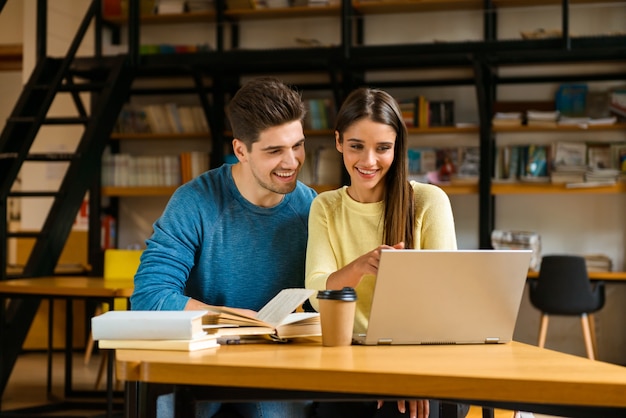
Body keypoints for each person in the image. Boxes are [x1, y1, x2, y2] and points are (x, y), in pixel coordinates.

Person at [130, 77, 317, 418]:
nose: (292, 162)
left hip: (271, 363)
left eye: (298, 145)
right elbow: (149, 296)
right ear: (241, 150)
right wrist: (228, 319)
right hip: (196, 356)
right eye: (275, 151)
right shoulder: (194, 201)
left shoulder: (311, 208)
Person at [305, 87, 462, 418]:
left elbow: (447, 303)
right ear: (338, 142)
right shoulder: (325, 207)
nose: (369, 161)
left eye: (383, 148)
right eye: (356, 146)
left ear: (397, 148)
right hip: (350, 360)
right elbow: (314, 293)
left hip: (421, 357)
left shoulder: (428, 202)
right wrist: (360, 266)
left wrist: (413, 370)